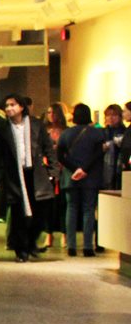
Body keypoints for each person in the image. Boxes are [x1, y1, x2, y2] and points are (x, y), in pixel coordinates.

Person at [0, 93, 57, 262]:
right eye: (6, 106)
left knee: (40, 214)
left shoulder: (36, 125)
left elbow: (48, 148)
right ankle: (21, 250)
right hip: (14, 177)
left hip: (36, 175)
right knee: (18, 215)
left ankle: (30, 242)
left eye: (12, 105)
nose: (9, 108)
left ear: (21, 107)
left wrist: (53, 171)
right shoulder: (3, 130)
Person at [57, 103, 106, 257]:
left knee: (71, 209)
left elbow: (60, 156)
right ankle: (87, 247)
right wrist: (84, 170)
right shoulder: (97, 134)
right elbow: (99, 154)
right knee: (88, 210)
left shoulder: (65, 134)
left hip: (70, 177)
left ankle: (71, 246)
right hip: (90, 178)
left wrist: (74, 169)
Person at [43, 102, 70, 250]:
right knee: (49, 205)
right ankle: (49, 234)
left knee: (63, 204)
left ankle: (64, 234)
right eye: (49, 112)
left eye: (54, 113)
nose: (51, 116)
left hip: (63, 169)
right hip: (47, 170)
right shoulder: (44, 130)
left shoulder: (66, 131)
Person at [101, 103, 126, 191]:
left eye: (114, 115)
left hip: (119, 166)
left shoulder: (125, 132)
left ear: (120, 116)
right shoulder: (102, 132)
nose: (111, 118)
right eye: (108, 115)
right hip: (104, 167)